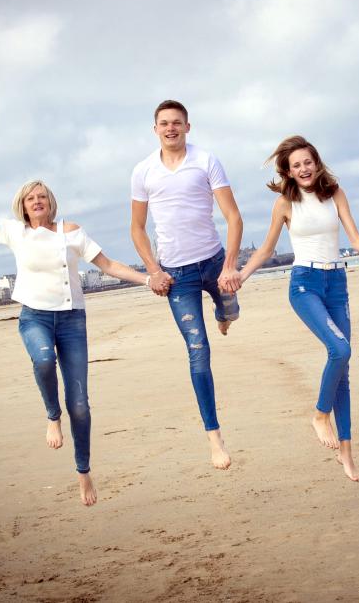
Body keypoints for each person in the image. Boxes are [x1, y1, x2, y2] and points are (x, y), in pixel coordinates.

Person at [0, 152, 150, 505]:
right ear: (22, 206)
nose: (37, 201)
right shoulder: (14, 232)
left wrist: (147, 279)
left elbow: (109, 264)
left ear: (50, 203)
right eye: (30, 198)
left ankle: (84, 473)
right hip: (34, 316)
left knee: (80, 404)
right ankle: (53, 416)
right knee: (42, 361)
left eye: (42, 197)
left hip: (72, 320)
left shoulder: (71, 231)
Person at [238, 136, 359, 482]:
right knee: (339, 348)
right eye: (296, 165)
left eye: (308, 162)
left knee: (343, 365)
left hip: (336, 284)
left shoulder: (335, 194)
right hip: (304, 284)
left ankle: (346, 452)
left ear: (317, 162)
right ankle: (319, 414)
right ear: (288, 170)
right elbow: (267, 249)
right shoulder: (285, 203)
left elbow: (355, 238)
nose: (304, 168)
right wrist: (241, 274)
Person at [130, 100, 243, 470]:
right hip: (177, 276)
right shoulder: (143, 171)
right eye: (164, 123)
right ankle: (215, 438)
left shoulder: (206, 160)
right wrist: (153, 271)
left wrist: (229, 265)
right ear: (155, 129)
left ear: (187, 127)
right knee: (198, 351)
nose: (170, 128)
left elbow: (233, 216)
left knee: (230, 310)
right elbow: (137, 228)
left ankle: (224, 312)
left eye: (176, 123)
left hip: (213, 263)